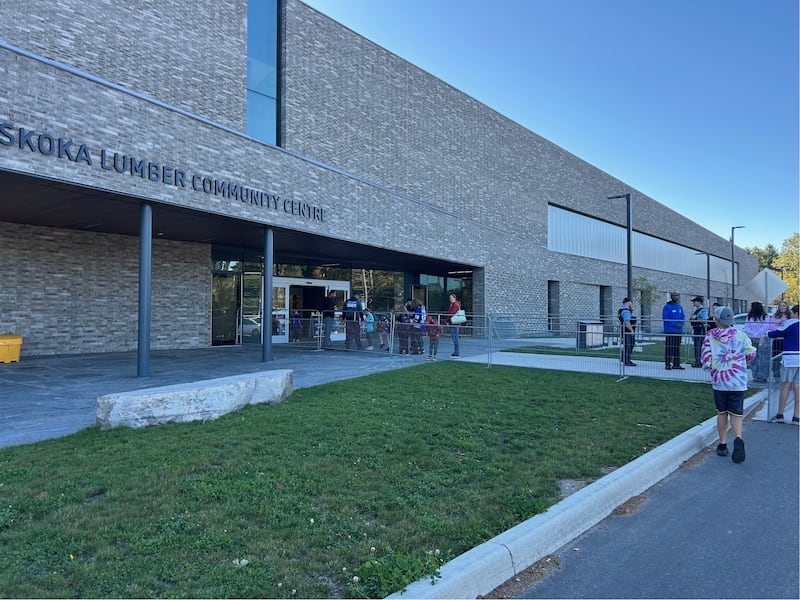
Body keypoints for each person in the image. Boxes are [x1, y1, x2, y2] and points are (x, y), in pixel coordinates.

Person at [701, 306, 756, 463]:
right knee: (736, 414)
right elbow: (751, 354)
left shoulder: (709, 338)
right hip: (737, 382)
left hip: (720, 382)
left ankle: (722, 444)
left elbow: (705, 361)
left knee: (722, 413)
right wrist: (739, 361)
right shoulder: (741, 336)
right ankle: (738, 438)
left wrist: (715, 367)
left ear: (717, 320)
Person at [765, 304, 799, 425]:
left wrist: (767, 334)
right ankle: (796, 416)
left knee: (785, 385)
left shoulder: (791, 322)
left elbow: (777, 333)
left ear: (795, 313)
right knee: (798, 387)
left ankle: (780, 414)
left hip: (790, 357)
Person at [743, 301, 771, 383]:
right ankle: (755, 375)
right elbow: (746, 327)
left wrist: (757, 336)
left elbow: (765, 327)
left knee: (763, 358)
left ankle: (763, 376)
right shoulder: (749, 317)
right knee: (753, 357)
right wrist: (753, 336)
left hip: (762, 339)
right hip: (752, 339)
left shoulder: (765, 317)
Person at [662, 291, 685, 370]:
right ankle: (668, 364)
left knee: (677, 348)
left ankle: (676, 364)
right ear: (671, 297)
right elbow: (666, 318)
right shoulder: (667, 307)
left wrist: (681, 324)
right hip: (670, 330)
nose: (675, 297)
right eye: (673, 295)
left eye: (677, 295)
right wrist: (675, 324)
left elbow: (682, 316)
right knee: (669, 348)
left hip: (678, 331)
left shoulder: (679, 306)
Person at [769, 301, 791, 380]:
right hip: (777, 340)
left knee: (786, 358)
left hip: (787, 340)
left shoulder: (790, 316)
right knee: (776, 358)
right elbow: (771, 327)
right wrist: (782, 328)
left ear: (787, 307)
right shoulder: (775, 316)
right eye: (780, 306)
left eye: (784, 306)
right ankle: (776, 376)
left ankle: (787, 376)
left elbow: (790, 327)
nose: (782, 307)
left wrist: (781, 328)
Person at [689, 296, 709, 367]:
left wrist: (696, 318)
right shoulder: (697, 310)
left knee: (699, 346)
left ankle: (699, 362)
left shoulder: (702, 310)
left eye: (694, 301)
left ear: (698, 302)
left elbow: (705, 320)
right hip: (696, 329)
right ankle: (697, 361)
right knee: (696, 345)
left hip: (700, 329)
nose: (693, 303)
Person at [617, 297, 636, 366]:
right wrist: (632, 331)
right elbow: (627, 322)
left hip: (624, 330)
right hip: (628, 331)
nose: (632, 304)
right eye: (631, 302)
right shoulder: (626, 311)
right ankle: (627, 360)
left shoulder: (622, 309)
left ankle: (623, 358)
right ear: (628, 302)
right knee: (629, 345)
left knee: (627, 345)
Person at [447, 293, 462, 358]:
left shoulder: (455, 305)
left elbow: (451, 313)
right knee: (455, 338)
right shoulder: (454, 304)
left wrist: (447, 321)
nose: (450, 299)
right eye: (450, 298)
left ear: (454, 298)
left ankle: (456, 352)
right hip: (454, 323)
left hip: (454, 323)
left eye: (451, 298)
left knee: (455, 338)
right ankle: (456, 352)